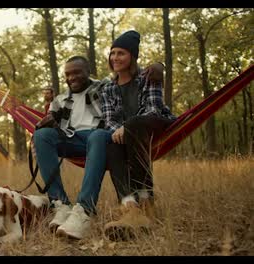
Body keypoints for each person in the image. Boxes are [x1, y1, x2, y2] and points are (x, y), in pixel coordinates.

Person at [33, 55, 164, 240]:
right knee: (41, 136)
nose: (72, 78)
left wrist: (158, 66)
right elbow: (52, 119)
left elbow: (130, 78)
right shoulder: (61, 100)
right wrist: (48, 113)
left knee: (97, 135)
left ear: (88, 72)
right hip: (72, 139)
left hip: (101, 138)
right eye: (68, 74)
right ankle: (60, 204)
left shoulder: (104, 86)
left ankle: (84, 210)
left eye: (77, 72)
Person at [100, 30, 176, 241]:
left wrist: (127, 127)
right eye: (112, 53)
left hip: (154, 125)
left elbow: (153, 109)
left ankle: (146, 204)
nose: (115, 57)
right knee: (110, 144)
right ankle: (130, 208)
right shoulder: (108, 88)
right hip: (127, 134)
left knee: (132, 124)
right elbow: (109, 120)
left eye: (121, 53)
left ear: (132, 56)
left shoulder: (148, 76)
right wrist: (120, 129)